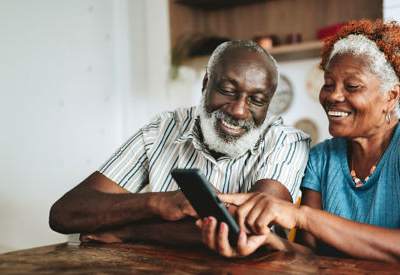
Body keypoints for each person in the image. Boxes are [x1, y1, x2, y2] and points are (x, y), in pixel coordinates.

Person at [198, 19, 400, 268]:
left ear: (391, 96)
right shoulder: (321, 157)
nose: (333, 96)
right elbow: (309, 254)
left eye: (352, 86)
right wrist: (267, 241)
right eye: (328, 84)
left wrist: (301, 216)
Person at [49, 41, 311, 246]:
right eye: (228, 91)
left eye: (257, 100)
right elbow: (64, 213)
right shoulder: (162, 129)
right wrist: (160, 203)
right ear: (206, 84)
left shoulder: (287, 142)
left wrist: (130, 230)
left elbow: (246, 231)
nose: (239, 111)